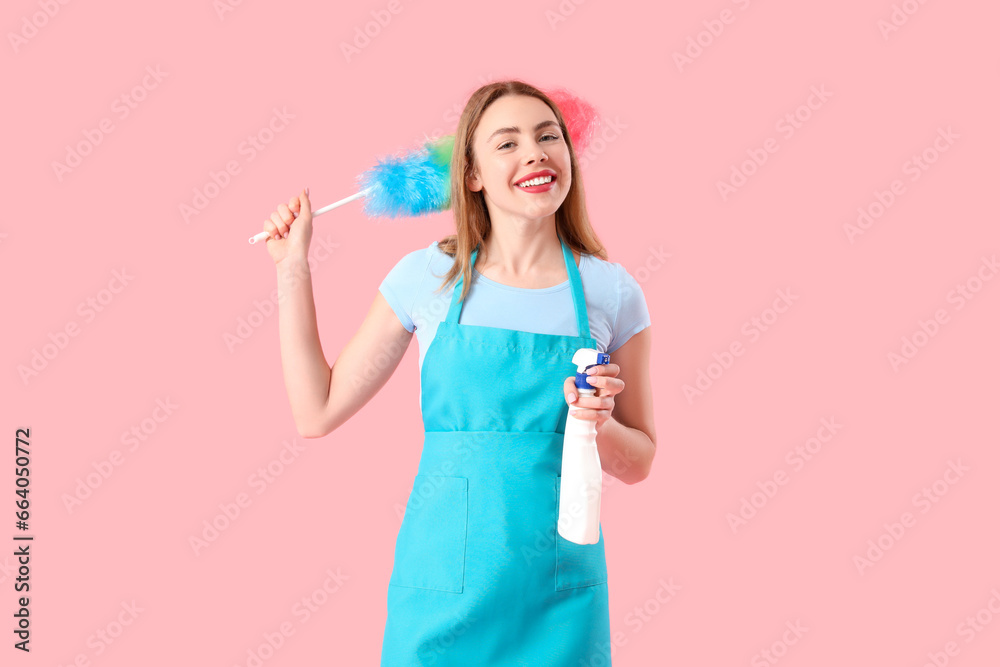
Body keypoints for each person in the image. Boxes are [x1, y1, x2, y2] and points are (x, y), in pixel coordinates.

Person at [260, 80, 655, 665]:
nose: (536, 153)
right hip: (442, 587)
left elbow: (639, 461)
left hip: (560, 595)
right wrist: (292, 269)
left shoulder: (610, 291)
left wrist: (598, 425)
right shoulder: (430, 278)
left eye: (550, 136)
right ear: (471, 175)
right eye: (508, 143)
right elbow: (316, 411)